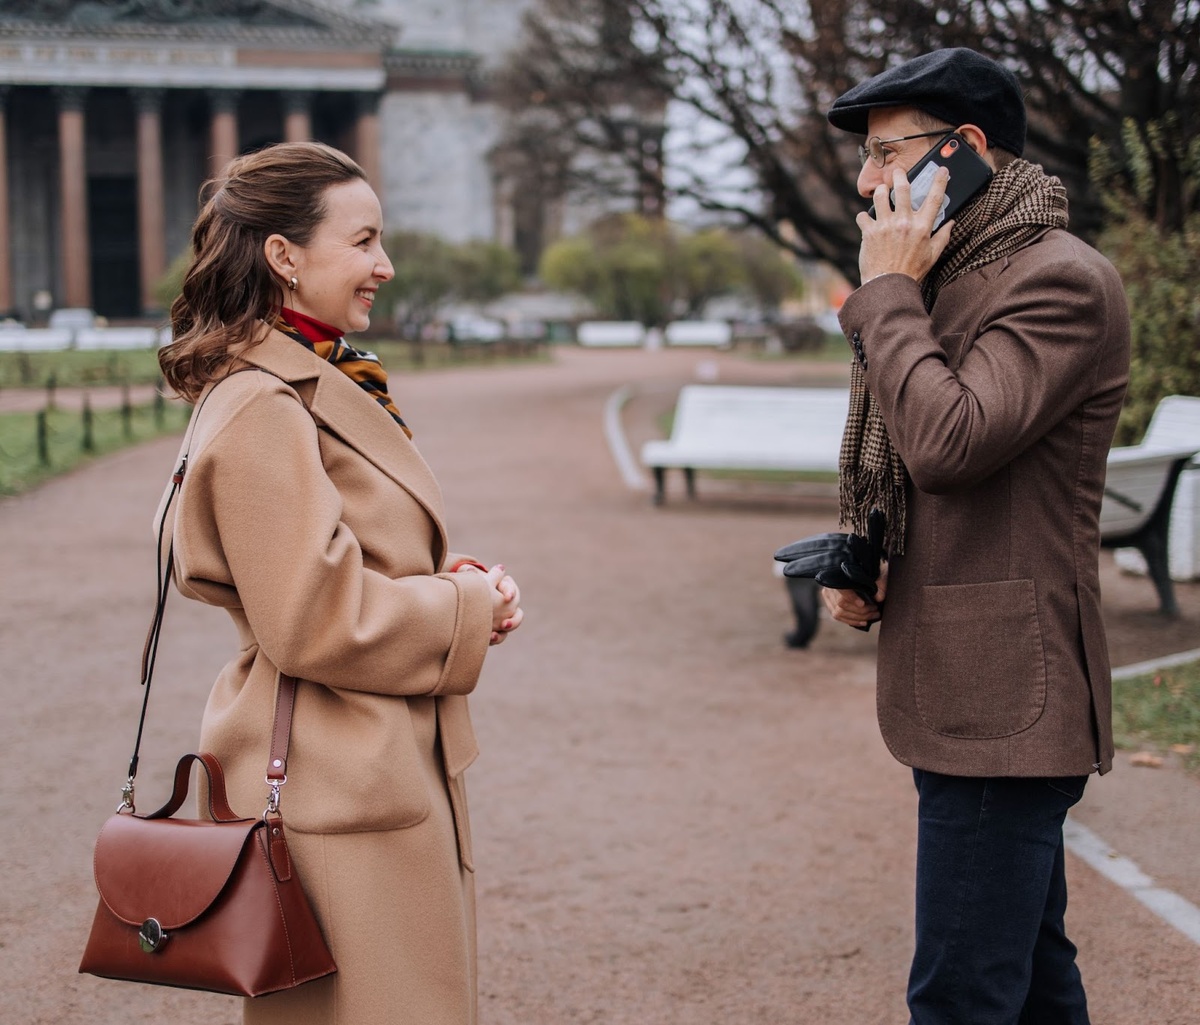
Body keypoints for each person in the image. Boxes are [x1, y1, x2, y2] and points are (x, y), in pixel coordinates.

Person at [156, 140, 523, 1024]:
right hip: (335, 772)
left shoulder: (309, 375)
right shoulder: (265, 401)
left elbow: (329, 564)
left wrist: (437, 579)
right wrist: (464, 607)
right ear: (284, 256)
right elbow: (310, 615)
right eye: (362, 242)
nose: (384, 265)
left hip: (361, 765)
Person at [817, 49, 1130, 1022]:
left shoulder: (1059, 281)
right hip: (968, 679)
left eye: (886, 154)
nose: (867, 183)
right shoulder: (953, 275)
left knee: (960, 992)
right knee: (1032, 980)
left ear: (966, 148)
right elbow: (923, 464)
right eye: (865, 159)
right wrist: (869, 551)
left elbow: (950, 441)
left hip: (1007, 696)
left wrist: (887, 293)